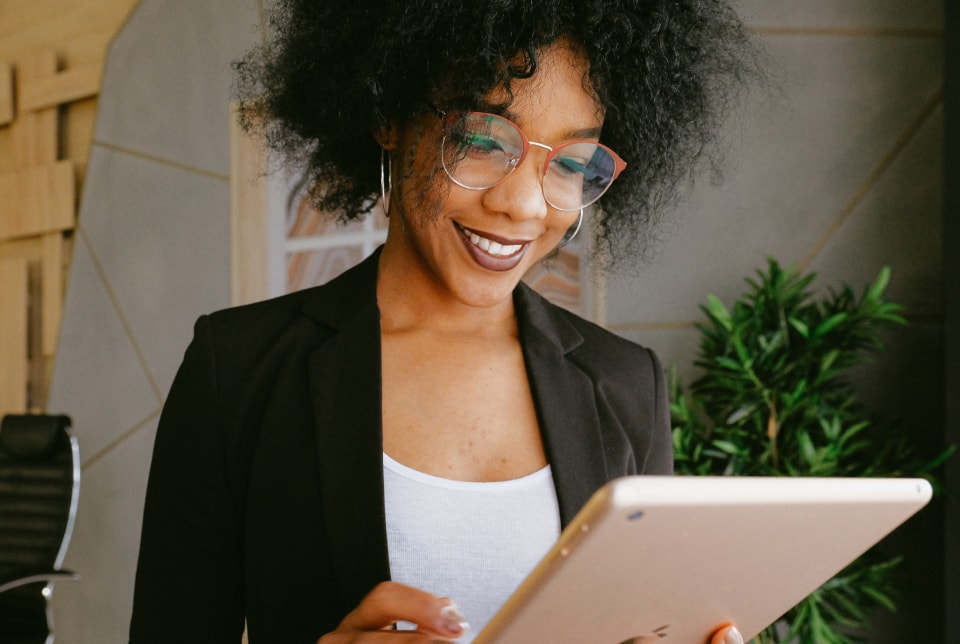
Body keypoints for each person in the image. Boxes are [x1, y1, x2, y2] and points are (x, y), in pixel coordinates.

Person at [130, 1, 758, 642]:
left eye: (570, 163)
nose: (522, 205)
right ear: (387, 116)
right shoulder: (237, 370)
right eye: (484, 141)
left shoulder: (626, 384)